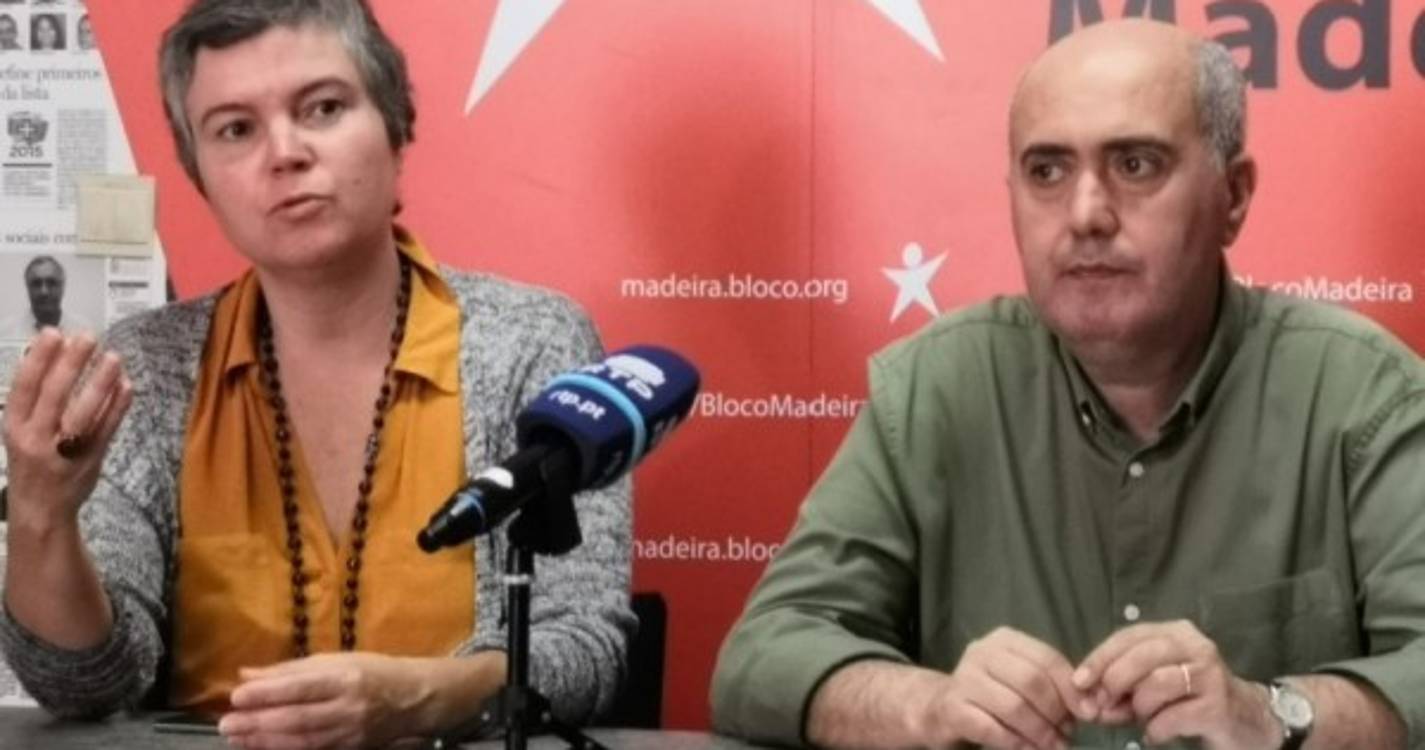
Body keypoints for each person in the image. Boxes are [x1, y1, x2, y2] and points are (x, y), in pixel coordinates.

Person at [711, 19, 1423, 750]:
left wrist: (1273, 713)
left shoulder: (1363, 397)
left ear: (1232, 196)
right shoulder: (936, 388)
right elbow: (764, 654)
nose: (1085, 214)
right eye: (1047, 172)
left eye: (1135, 165)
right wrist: (924, 705)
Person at [0, 1, 633, 748]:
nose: (285, 153)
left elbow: (582, 650)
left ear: (395, 127)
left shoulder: (530, 342)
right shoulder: (146, 363)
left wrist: (416, 699)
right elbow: (88, 686)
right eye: (235, 129)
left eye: (323, 108)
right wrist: (42, 518)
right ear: (200, 177)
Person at [0, 256, 96, 339]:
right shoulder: (5, 331)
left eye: (52, 283)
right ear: (27, 287)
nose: (44, 292)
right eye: (36, 284)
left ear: (62, 287)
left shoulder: (84, 330)